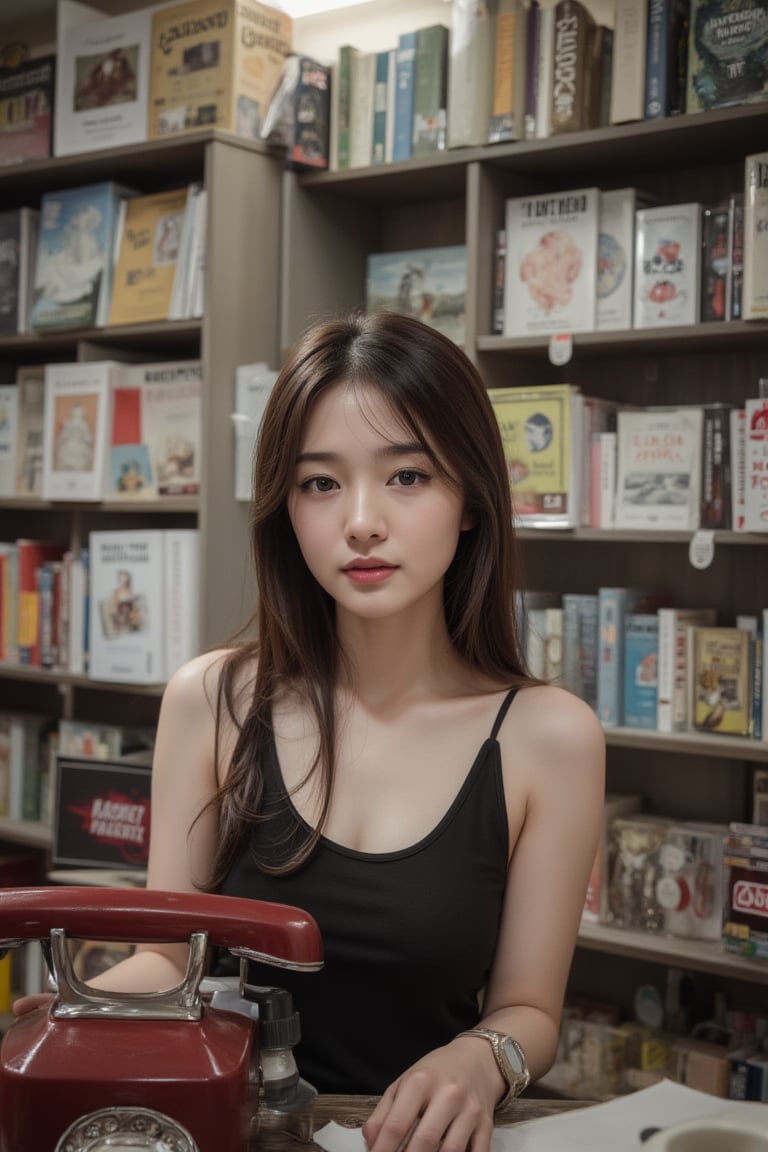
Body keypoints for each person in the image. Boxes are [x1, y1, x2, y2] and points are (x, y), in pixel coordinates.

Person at [16, 313, 604, 1152]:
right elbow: (168, 958)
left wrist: (480, 1061)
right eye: (320, 484)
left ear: (471, 499)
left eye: (407, 476)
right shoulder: (211, 699)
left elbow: (529, 1011)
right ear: (284, 509)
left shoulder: (551, 737)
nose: (361, 521)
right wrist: (91, 1009)